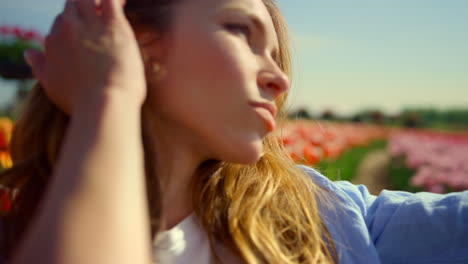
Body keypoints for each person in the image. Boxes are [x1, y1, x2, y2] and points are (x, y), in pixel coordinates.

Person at [0, 0, 466, 263]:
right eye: (242, 32)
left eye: (277, 57)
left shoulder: (328, 222)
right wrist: (110, 96)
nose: (280, 80)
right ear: (133, 40)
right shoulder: (17, 236)